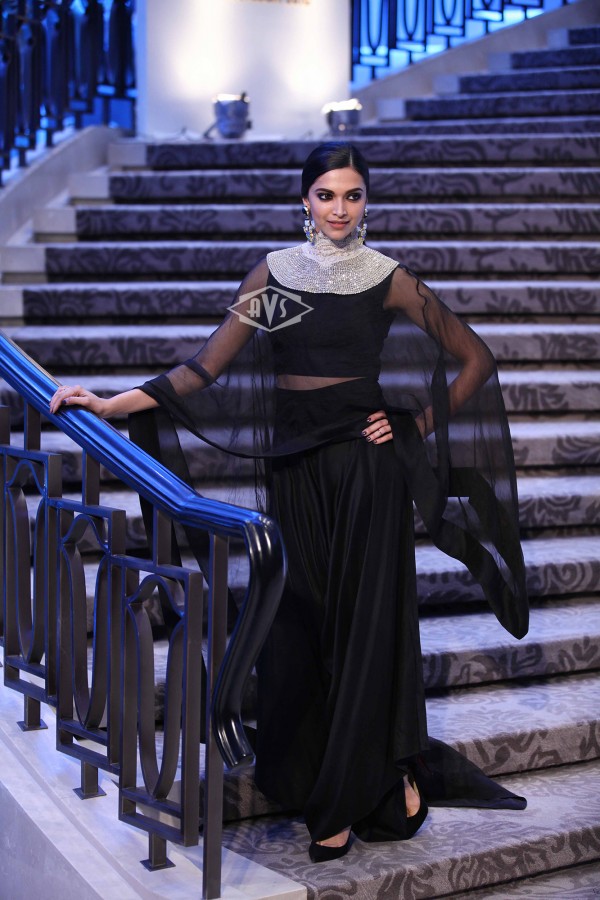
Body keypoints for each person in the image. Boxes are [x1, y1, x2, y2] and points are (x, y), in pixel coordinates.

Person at [50, 141, 528, 863]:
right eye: (326, 195)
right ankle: (367, 772)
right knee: (303, 624)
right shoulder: (276, 278)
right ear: (304, 200)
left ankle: (347, 798)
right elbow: (207, 367)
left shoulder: (388, 279)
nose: (340, 209)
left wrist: (413, 427)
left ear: (366, 203)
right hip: (296, 474)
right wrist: (113, 403)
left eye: (353, 195)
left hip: (367, 473)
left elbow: (475, 360)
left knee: (364, 629)